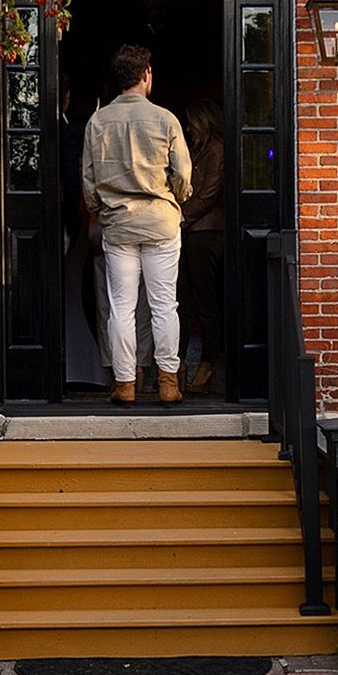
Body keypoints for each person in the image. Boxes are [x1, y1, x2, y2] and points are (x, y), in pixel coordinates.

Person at [81, 43, 191, 404]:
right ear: (145, 75)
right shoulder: (165, 119)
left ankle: (125, 384)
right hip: (160, 223)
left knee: (121, 308)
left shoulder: (97, 122)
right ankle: (167, 383)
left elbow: (88, 180)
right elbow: (183, 174)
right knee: (164, 306)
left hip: (119, 225)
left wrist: (100, 205)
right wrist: (174, 196)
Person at [178, 100, 225, 394]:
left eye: (191, 123)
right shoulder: (197, 150)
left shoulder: (216, 150)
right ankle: (185, 365)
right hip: (192, 232)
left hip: (205, 234)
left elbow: (208, 194)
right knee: (186, 302)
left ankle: (209, 364)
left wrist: (179, 215)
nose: (187, 129)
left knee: (206, 303)